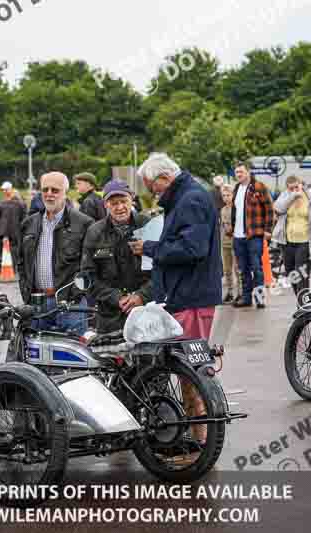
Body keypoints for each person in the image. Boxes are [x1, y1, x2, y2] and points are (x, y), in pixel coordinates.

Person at [130, 152, 221, 452]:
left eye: (152, 187)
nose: (152, 193)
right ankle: (197, 435)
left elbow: (191, 248)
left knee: (190, 369)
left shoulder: (190, 200)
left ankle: (200, 438)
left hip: (191, 295)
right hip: (189, 293)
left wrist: (150, 248)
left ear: (165, 179)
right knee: (190, 369)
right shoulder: (189, 196)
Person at [16, 172, 94, 334]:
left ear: (66, 193)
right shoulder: (29, 224)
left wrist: (76, 295)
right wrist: (27, 294)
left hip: (71, 306)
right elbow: (22, 263)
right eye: (45, 190)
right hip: (36, 304)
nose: (49, 194)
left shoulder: (84, 223)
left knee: (70, 357)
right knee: (34, 356)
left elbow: (90, 267)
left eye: (55, 190)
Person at [81, 180, 151, 333]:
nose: (120, 207)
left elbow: (162, 270)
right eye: (113, 203)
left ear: (131, 200)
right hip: (109, 317)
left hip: (147, 313)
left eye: (123, 201)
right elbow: (88, 277)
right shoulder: (94, 232)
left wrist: (141, 296)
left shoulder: (148, 225)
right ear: (105, 204)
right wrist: (116, 298)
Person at [272, 175, 311, 296]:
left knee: (301, 274)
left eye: (297, 187)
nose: (295, 190)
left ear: (301, 184)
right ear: (287, 188)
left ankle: (303, 305)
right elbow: (278, 208)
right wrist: (291, 197)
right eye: (291, 188)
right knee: (292, 274)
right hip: (287, 242)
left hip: (306, 242)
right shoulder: (285, 196)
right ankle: (302, 300)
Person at [230, 161, 274, 309]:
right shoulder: (236, 188)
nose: (239, 175)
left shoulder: (258, 187)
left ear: (248, 172)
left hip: (254, 234)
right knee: (243, 269)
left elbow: (269, 209)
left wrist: (268, 230)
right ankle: (246, 298)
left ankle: (260, 298)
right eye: (236, 172)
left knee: (257, 268)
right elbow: (235, 211)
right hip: (238, 236)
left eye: (241, 172)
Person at [0, 181, 26, 265]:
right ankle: (12, 266)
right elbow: (24, 213)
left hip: (8, 230)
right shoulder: (19, 203)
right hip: (13, 230)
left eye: (5, 190)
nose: (4, 192)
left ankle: (10, 266)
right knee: (11, 248)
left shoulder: (3, 203)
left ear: (10, 190)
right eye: (3, 190)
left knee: (10, 248)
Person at [219, 185, 240, 304]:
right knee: (227, 269)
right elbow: (222, 226)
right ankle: (230, 292)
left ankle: (240, 292)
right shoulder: (222, 210)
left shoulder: (236, 208)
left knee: (237, 268)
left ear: (233, 195)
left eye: (228, 195)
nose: (226, 198)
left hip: (235, 241)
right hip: (225, 242)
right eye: (224, 195)